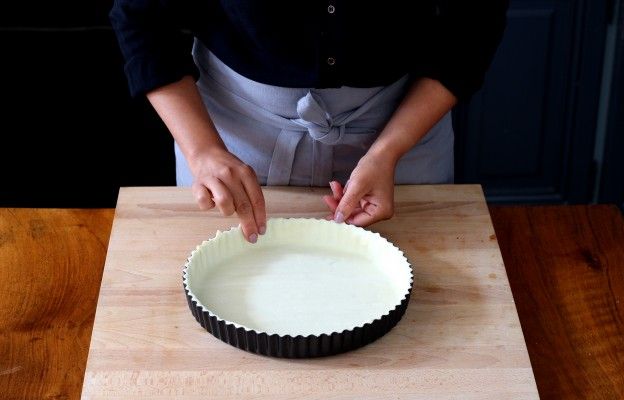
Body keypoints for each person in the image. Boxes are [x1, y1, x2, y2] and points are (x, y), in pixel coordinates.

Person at [110, 1, 509, 243]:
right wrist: (203, 151)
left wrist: (388, 152)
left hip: (404, 133)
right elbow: (142, 20)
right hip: (231, 141)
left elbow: (472, 25)